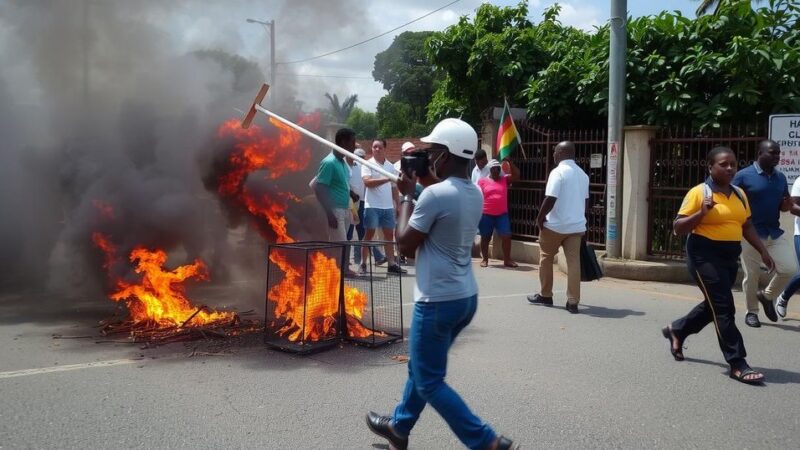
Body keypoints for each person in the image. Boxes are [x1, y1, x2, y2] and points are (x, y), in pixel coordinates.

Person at [365, 118, 517, 450]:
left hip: (437, 302)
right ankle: (399, 428)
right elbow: (440, 190)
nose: (430, 156)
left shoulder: (433, 195)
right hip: (464, 297)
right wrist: (420, 183)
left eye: (434, 151)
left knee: (430, 381)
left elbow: (404, 245)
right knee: (421, 368)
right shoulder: (473, 192)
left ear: (445, 156)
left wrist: (406, 197)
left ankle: (486, 441)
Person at [663, 146, 775, 385]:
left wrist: (763, 251)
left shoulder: (739, 194)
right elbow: (678, 227)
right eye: (723, 164)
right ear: (710, 167)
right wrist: (701, 213)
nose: (729, 168)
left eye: (733, 164)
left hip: (728, 255)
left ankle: (678, 331)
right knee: (724, 308)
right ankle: (738, 362)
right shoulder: (699, 193)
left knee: (714, 304)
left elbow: (746, 226)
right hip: (703, 255)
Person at [732, 140, 795, 327]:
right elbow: (731, 200)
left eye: (779, 154)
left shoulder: (780, 178)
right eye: (773, 153)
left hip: (773, 233)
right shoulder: (743, 176)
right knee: (751, 275)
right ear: (760, 153)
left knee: (790, 268)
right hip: (750, 234)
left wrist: (787, 204)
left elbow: (783, 206)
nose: (777, 157)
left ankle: (767, 296)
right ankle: (752, 312)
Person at [527, 141, 589, 314]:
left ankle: (546, 295)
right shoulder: (583, 175)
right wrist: (583, 222)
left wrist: (540, 218)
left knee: (546, 257)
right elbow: (586, 203)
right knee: (573, 263)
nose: (553, 155)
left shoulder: (558, 172)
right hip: (576, 227)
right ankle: (573, 301)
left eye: (555, 152)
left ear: (561, 153)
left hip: (555, 226)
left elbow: (550, 198)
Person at [313, 127, 358, 274]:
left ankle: (341, 270)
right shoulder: (329, 162)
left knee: (342, 244)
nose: (354, 146)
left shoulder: (342, 163)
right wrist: (329, 214)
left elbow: (341, 183)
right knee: (340, 244)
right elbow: (320, 188)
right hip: (334, 211)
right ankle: (336, 274)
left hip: (344, 209)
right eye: (353, 142)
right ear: (343, 143)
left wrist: (351, 193)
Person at [361, 139, 406, 275]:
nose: (377, 149)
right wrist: (387, 178)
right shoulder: (367, 164)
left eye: (379, 147)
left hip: (387, 207)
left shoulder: (390, 166)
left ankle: (391, 264)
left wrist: (397, 205)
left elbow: (394, 188)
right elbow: (367, 182)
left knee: (389, 236)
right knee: (369, 234)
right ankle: (363, 264)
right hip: (372, 206)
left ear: (384, 149)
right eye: (374, 147)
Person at [346, 146, 386, 267]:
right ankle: (346, 260)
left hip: (361, 203)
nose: (361, 159)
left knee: (361, 232)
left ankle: (373, 257)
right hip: (352, 202)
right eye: (359, 157)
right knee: (351, 232)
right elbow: (346, 183)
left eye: (362, 157)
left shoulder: (363, 168)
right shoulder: (350, 167)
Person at [477, 158, 520, 268]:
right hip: (486, 214)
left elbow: (516, 175)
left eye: (498, 169)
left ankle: (507, 259)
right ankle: (485, 259)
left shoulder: (504, 179)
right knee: (485, 237)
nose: (496, 171)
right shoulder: (482, 181)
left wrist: (510, 162)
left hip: (502, 215)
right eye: (494, 169)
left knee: (506, 235)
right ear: (490, 170)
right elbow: (477, 197)